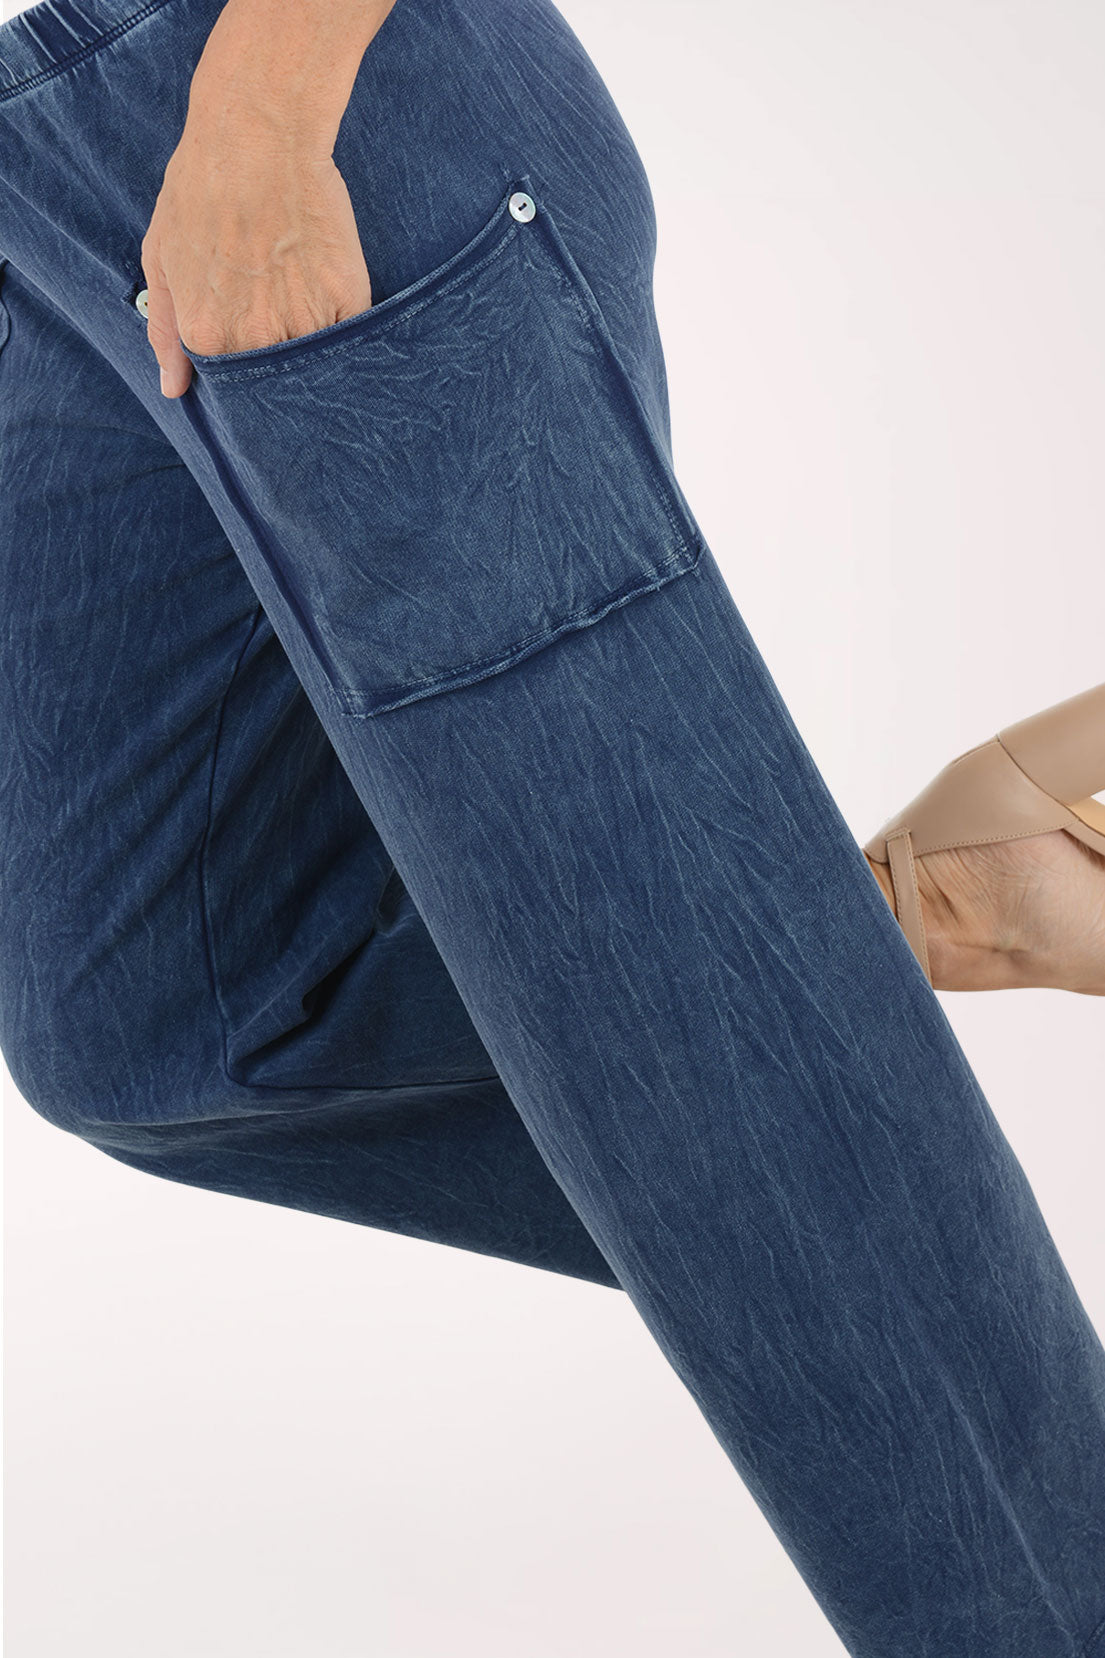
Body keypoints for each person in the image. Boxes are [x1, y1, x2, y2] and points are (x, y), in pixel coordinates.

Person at [0, 0, 1103, 1651]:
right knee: (159, 1015)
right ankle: (913, 919)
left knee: (718, 1096)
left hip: (292, 123)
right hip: (51, 214)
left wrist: (262, 111)